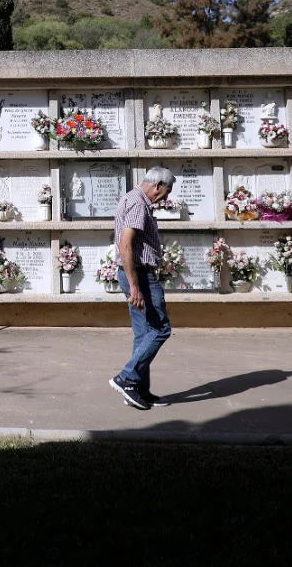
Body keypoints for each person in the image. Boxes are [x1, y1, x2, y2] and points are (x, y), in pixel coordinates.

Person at [107, 167, 176, 410]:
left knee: (143, 333)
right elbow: (125, 244)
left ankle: (138, 391)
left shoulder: (131, 198)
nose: (165, 198)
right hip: (141, 276)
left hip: (135, 274)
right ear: (157, 185)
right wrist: (135, 285)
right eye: (166, 192)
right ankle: (126, 378)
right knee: (160, 329)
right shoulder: (138, 203)